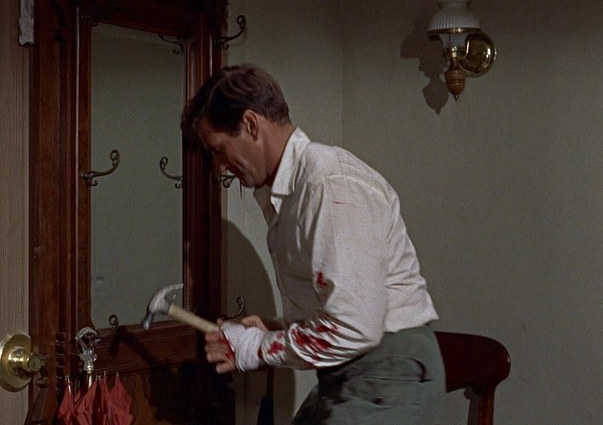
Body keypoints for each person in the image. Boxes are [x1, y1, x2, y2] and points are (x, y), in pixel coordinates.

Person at [181, 64, 445, 424]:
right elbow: (343, 306)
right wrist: (275, 328)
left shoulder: (329, 186)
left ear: (252, 124)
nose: (220, 167)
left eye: (220, 150)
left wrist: (257, 348)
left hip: (387, 373)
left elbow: (354, 327)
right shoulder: (290, 193)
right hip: (352, 371)